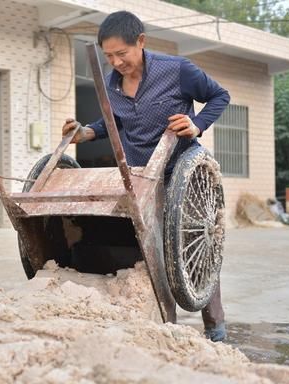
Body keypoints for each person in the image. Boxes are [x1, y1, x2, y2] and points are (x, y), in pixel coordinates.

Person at [62, 11, 229, 341]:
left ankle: (215, 326)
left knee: (195, 242)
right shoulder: (111, 83)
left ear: (141, 41)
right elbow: (115, 123)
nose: (116, 62)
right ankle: (156, 322)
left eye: (121, 54)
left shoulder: (178, 70)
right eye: (108, 56)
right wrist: (85, 133)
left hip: (182, 170)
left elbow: (219, 96)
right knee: (145, 244)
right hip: (141, 175)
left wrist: (197, 124)